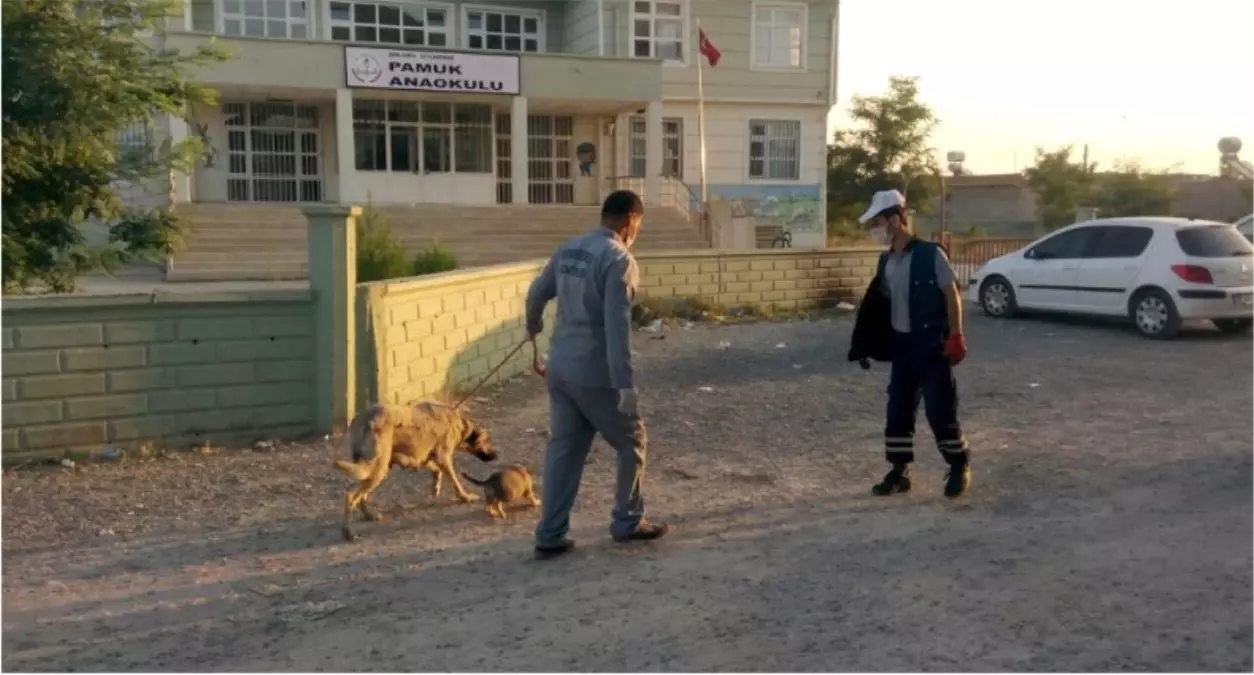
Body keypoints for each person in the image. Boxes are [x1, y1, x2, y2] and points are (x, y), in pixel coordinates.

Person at [524, 189, 671, 560]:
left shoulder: (570, 247)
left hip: (560, 368)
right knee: (631, 440)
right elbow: (616, 328)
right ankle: (628, 521)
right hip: (594, 373)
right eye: (638, 224)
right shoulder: (619, 259)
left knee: (564, 450)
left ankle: (550, 533)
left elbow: (536, 294)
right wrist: (625, 385)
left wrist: (532, 326)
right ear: (631, 222)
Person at [847, 189, 972, 498]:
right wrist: (866, 344)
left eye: (875, 223)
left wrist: (956, 335)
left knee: (940, 413)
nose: (872, 230)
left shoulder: (930, 254)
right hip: (902, 348)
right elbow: (879, 306)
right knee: (897, 413)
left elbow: (951, 293)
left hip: (930, 346)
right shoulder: (886, 261)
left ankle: (959, 467)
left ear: (893, 220)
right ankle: (899, 472)